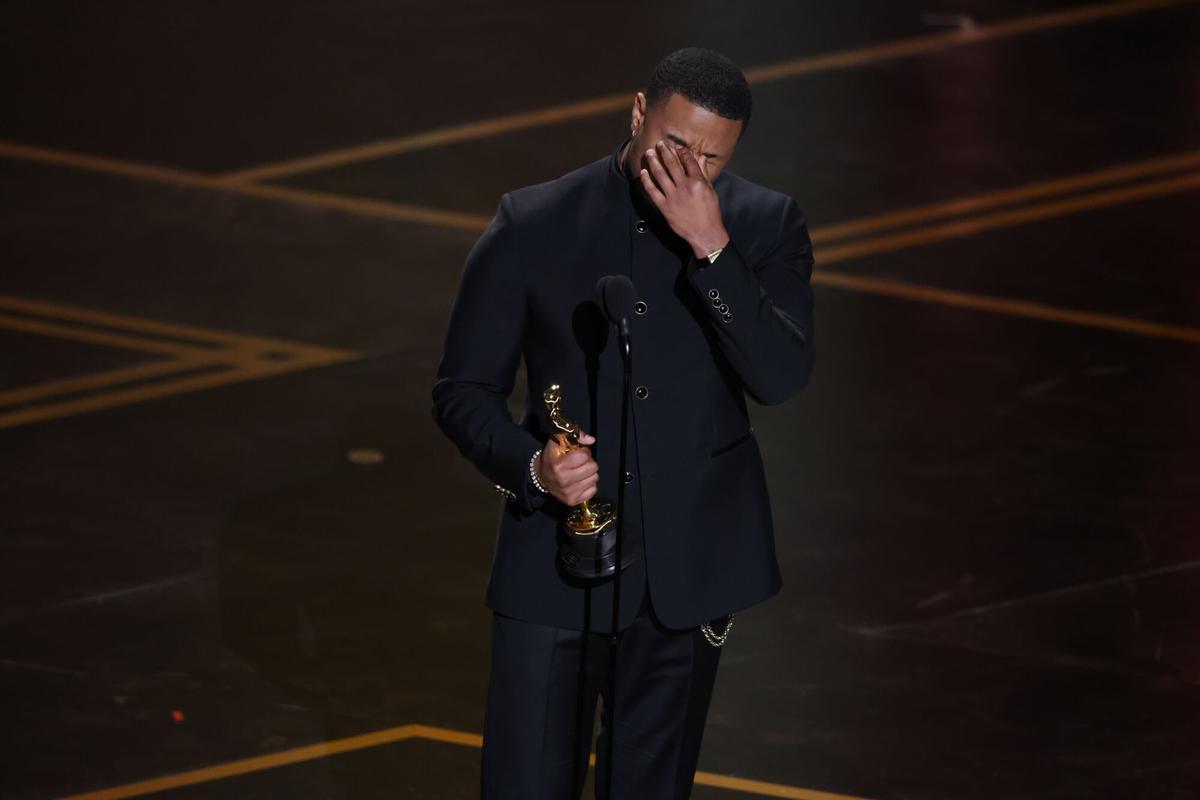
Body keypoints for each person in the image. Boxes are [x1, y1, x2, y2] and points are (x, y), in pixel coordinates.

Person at [432, 46, 816, 799]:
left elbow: (780, 376)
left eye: (711, 159)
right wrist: (534, 467)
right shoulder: (532, 222)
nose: (688, 172)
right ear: (638, 113)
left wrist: (712, 246)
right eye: (675, 146)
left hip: (685, 576)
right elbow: (462, 391)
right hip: (553, 565)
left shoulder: (764, 226)